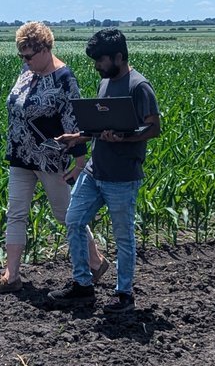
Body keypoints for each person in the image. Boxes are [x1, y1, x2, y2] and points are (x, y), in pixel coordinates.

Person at [0, 21, 109, 294]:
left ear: (45, 49)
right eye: (21, 56)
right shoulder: (27, 71)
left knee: (65, 215)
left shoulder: (64, 78)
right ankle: (11, 275)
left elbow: (73, 121)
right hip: (20, 154)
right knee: (15, 213)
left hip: (50, 158)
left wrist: (78, 162)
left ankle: (96, 261)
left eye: (28, 55)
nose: (25, 61)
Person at [48, 28, 160, 313]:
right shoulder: (105, 83)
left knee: (123, 237)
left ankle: (124, 295)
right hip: (95, 171)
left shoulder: (139, 86)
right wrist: (77, 137)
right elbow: (99, 127)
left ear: (119, 57)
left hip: (122, 177)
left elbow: (153, 127)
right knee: (73, 220)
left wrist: (125, 137)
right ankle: (83, 285)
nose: (97, 66)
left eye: (101, 61)